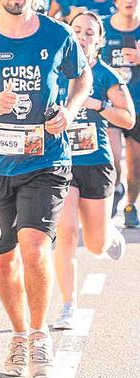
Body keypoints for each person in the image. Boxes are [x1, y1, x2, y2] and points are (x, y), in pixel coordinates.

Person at [0, 0, 90, 378]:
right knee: (4, 258)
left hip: (45, 159)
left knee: (34, 249)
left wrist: (69, 110)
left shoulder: (58, 34)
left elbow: (81, 79)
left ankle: (39, 333)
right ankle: (18, 334)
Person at [54, 11, 131, 329]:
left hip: (96, 162)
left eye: (89, 33)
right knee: (67, 233)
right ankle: (68, 305)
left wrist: (96, 104)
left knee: (96, 243)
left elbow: (128, 119)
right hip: (61, 163)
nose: (82, 37)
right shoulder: (55, 71)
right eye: (77, 31)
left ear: (98, 40)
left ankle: (109, 236)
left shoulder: (105, 74)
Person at [104, 0, 140, 228]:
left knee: (135, 166)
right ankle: (114, 187)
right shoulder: (102, 27)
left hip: (138, 106)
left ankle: (130, 205)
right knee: (112, 156)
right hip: (110, 104)